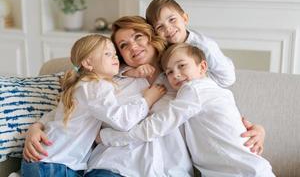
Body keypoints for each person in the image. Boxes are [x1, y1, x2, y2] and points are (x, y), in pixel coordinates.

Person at [23, 16, 265, 177]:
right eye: (124, 45)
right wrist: (37, 126)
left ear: (152, 37)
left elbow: (219, 111)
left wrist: (257, 128)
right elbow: (72, 109)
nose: (133, 47)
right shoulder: (108, 80)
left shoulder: (184, 78)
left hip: (169, 170)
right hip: (114, 167)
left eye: (138, 37)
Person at [100, 43, 275, 176]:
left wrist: (108, 137)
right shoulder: (212, 91)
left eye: (182, 66)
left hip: (243, 172)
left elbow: (155, 126)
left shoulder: (194, 90)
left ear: (203, 67)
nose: (175, 74)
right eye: (169, 72)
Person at [21, 34, 166, 177]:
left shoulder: (81, 84)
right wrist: (147, 99)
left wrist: (37, 125)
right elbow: (122, 121)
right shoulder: (96, 86)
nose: (115, 57)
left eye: (115, 53)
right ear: (88, 63)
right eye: (108, 53)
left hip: (45, 159)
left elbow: (55, 114)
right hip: (56, 164)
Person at [124, 0, 235, 89]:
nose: (168, 29)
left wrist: (194, 78)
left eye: (172, 19)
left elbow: (228, 79)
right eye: (160, 26)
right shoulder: (163, 47)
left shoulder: (205, 46)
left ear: (185, 18)